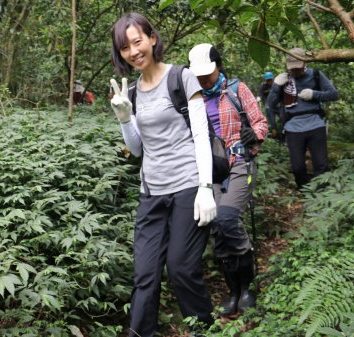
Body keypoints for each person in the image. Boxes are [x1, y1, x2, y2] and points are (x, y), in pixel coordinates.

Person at [109, 13, 216, 336]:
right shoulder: (135, 92)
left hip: (188, 186)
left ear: (152, 39)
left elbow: (200, 134)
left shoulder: (181, 78)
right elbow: (138, 150)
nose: (133, 51)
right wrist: (125, 118)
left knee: (182, 268)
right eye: (125, 47)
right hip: (152, 191)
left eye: (137, 41)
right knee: (145, 275)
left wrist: (206, 187)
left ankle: (203, 330)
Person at [188, 43, 268, 317]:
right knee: (216, 228)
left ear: (219, 66)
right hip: (208, 170)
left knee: (227, 218)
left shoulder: (236, 89)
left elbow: (260, 122)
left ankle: (248, 288)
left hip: (239, 162)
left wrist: (254, 135)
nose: (204, 79)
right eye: (199, 75)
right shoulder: (192, 99)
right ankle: (233, 291)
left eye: (208, 73)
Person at [266, 48, 338, 189]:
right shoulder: (284, 80)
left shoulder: (316, 75)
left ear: (305, 63)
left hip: (315, 124)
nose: (295, 71)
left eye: (298, 68)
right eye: (292, 68)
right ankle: (305, 192)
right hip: (293, 127)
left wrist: (314, 94)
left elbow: (334, 94)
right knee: (297, 167)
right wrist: (276, 86)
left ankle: (322, 196)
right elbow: (270, 104)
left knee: (321, 165)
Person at [258, 72, 282, 140]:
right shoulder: (263, 86)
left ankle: (282, 135)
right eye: (268, 80)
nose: (269, 82)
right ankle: (274, 134)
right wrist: (259, 98)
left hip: (278, 105)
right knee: (272, 121)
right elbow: (260, 94)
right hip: (269, 106)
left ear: (273, 79)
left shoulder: (277, 85)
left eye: (270, 80)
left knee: (283, 119)